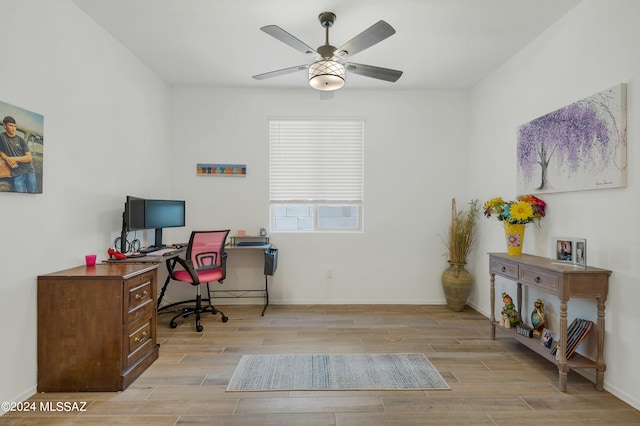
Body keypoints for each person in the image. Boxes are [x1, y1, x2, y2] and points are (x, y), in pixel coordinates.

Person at [0, 116, 37, 192]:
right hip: (16, 172)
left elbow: (29, 158)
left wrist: (12, 159)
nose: (13, 128)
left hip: (28, 170)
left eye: (14, 126)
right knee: (19, 194)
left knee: (33, 192)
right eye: (10, 125)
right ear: (5, 126)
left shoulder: (21, 140)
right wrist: (7, 158)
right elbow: (1, 151)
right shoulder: (2, 137)